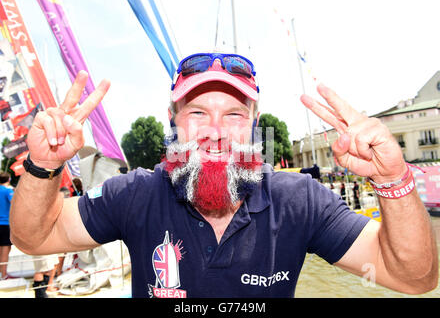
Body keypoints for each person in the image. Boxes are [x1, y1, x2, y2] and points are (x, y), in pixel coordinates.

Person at [9, 53, 438, 298]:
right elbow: (34, 238)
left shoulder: (299, 201)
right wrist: (42, 165)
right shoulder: (135, 194)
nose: (215, 131)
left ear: (254, 125)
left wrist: (392, 180)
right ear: (174, 121)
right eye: (197, 112)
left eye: (233, 114)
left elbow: (414, 278)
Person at [0, 172, 13, 280]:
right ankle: (4, 275)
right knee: (5, 250)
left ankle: (2, 273)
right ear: (8, 180)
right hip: (4, 224)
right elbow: (15, 203)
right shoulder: (8, 191)